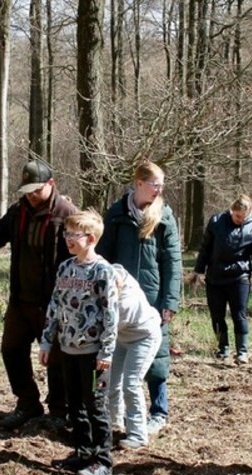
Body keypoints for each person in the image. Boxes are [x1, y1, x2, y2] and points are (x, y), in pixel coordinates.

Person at [0, 159, 76, 430]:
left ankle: (59, 411)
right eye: (27, 191)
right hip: (21, 299)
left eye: (37, 190)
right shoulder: (19, 211)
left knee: (56, 359)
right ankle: (28, 403)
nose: (32, 196)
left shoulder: (67, 214)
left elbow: (82, 254)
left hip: (54, 303)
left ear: (51, 184)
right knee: (11, 350)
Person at [98, 161, 182, 436]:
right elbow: (103, 257)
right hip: (121, 300)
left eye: (162, 185)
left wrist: (170, 302)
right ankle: (118, 415)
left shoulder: (164, 217)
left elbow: (173, 262)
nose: (159, 190)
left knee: (157, 358)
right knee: (119, 357)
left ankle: (159, 411)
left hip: (153, 298)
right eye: (155, 184)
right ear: (139, 184)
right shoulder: (116, 214)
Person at [39, 209, 119, 475]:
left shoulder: (103, 271)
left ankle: (103, 461)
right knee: (75, 406)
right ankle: (83, 453)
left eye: (74, 235)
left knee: (96, 405)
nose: (68, 239)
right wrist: (47, 342)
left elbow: (111, 315)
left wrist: (106, 352)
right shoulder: (65, 268)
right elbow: (54, 306)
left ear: (91, 238)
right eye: (66, 233)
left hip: (95, 354)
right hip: (67, 350)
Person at [192, 194, 252, 364]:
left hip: (239, 278)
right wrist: (198, 271)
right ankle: (223, 348)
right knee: (217, 315)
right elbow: (205, 247)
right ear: (232, 210)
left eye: (243, 217)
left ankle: (242, 352)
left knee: (239, 314)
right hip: (215, 277)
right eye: (237, 216)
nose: (240, 220)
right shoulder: (216, 222)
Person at [107, 264, 162, 450]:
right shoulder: (111, 272)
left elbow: (105, 334)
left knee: (130, 384)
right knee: (111, 381)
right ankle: (114, 425)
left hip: (144, 337)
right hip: (122, 338)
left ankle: (138, 434)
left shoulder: (125, 304)